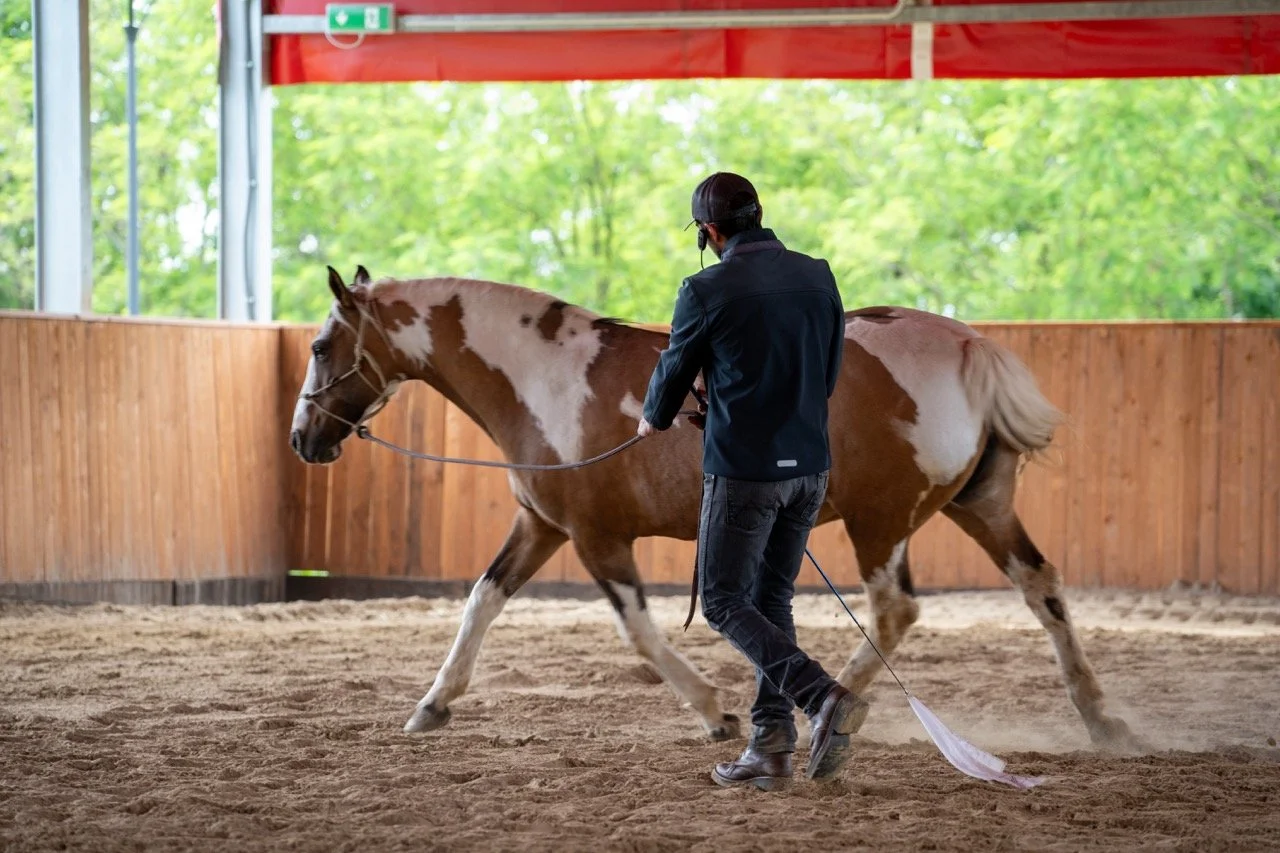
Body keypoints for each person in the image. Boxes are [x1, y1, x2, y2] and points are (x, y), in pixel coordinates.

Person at [637, 172, 864, 791]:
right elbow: (825, 373)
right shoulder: (819, 274)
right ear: (760, 216)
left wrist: (653, 417)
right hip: (810, 469)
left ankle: (821, 698)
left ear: (710, 233)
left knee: (724, 602)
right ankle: (771, 747)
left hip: (745, 474)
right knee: (770, 603)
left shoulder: (704, 287)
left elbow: (676, 364)